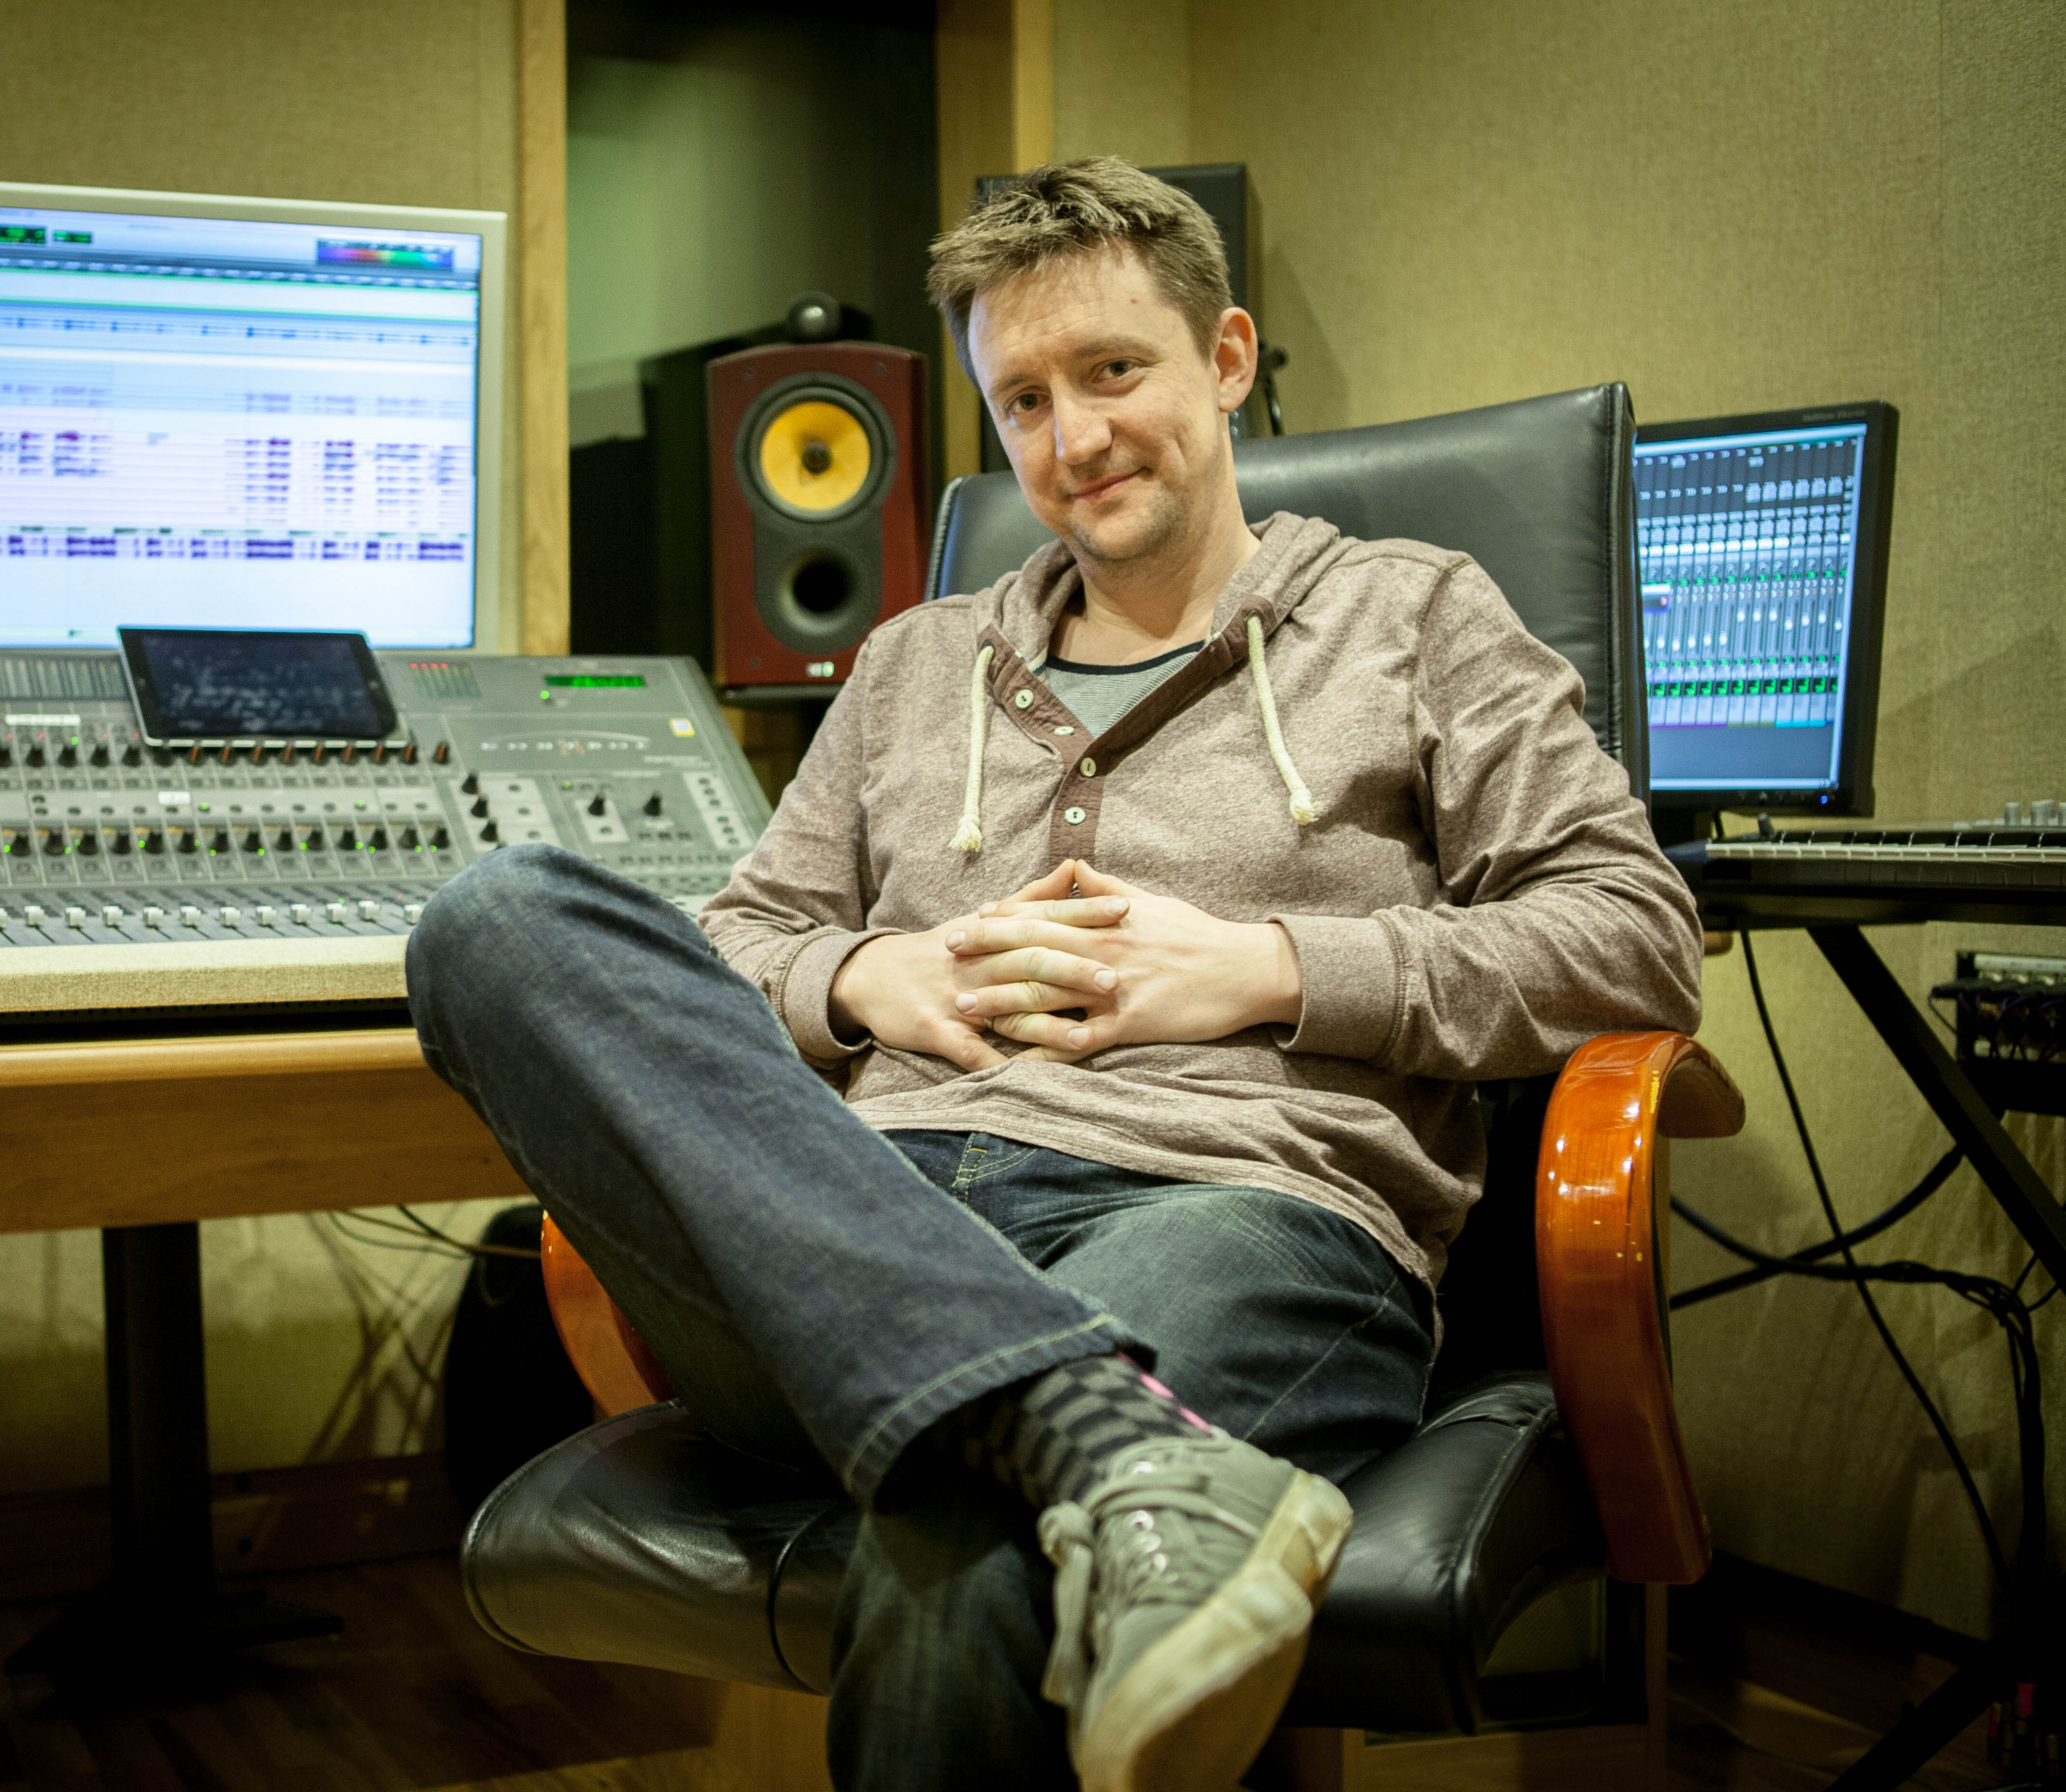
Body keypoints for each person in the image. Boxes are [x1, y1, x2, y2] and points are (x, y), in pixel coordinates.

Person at [406, 157, 1701, 1792]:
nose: (1072, 440)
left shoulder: (1416, 619)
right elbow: (738, 940)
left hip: (1227, 1211)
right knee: (502, 918)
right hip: (849, 1239)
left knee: (963, 1539)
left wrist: (1265, 967)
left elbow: (1634, 933)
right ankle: (1093, 1430)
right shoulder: (910, 667)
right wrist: (875, 980)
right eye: (1022, 400)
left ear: (1225, 360)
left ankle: (1052, 1432)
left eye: (1112, 372)